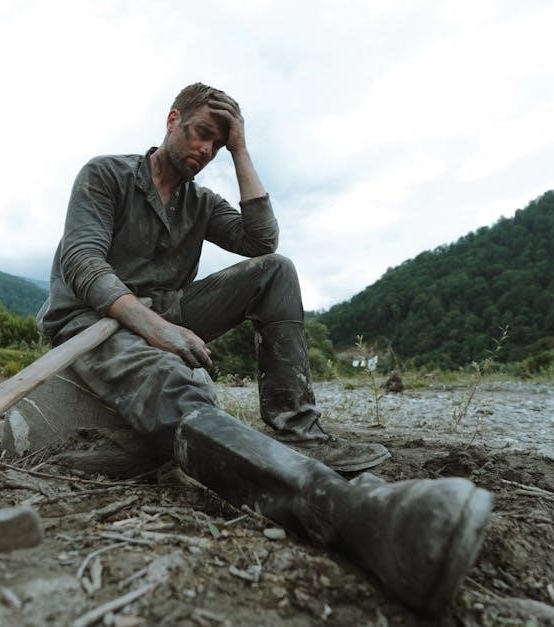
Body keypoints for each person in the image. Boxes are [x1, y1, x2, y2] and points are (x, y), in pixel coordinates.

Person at [37, 83, 492, 613]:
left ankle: (298, 429)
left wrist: (242, 151)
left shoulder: (199, 202)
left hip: (170, 308)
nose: (205, 149)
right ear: (172, 120)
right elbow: (82, 262)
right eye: (201, 133)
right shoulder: (106, 175)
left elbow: (261, 242)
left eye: (217, 144)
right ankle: (346, 512)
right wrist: (154, 330)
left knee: (276, 271)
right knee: (175, 386)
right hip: (95, 318)